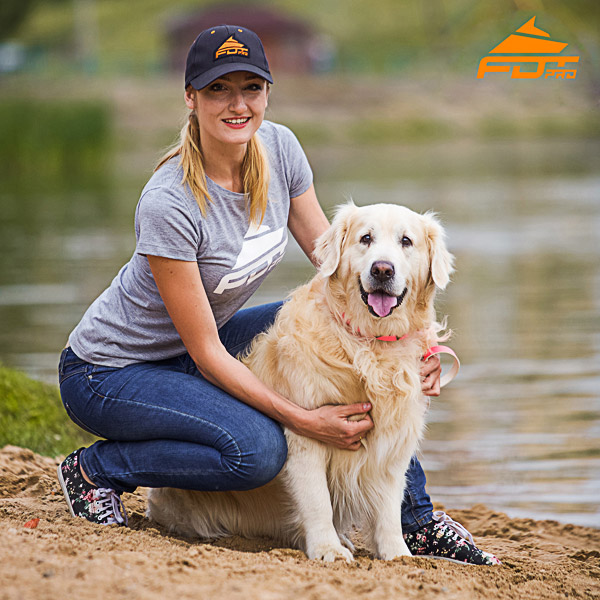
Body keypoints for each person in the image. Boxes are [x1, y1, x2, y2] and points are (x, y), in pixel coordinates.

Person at [56, 25, 500, 565]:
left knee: (369, 353)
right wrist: (302, 417)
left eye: (251, 87)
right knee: (258, 450)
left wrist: (420, 346)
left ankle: (416, 521)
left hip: (199, 345)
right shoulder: (169, 203)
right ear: (191, 98)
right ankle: (95, 471)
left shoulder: (280, 148)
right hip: (113, 370)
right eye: (219, 89)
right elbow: (206, 354)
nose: (237, 104)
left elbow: (334, 267)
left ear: (268, 92)